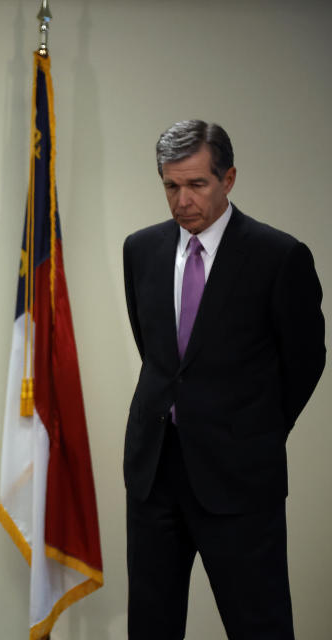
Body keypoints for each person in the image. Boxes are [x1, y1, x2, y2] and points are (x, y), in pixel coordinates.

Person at [122, 120, 325, 639]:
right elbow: (159, 356)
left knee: (258, 623)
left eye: (197, 185)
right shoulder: (140, 250)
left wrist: (251, 431)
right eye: (171, 186)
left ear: (228, 179)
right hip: (154, 472)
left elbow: (304, 362)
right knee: (151, 624)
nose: (182, 200)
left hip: (239, 478)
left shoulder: (279, 256)